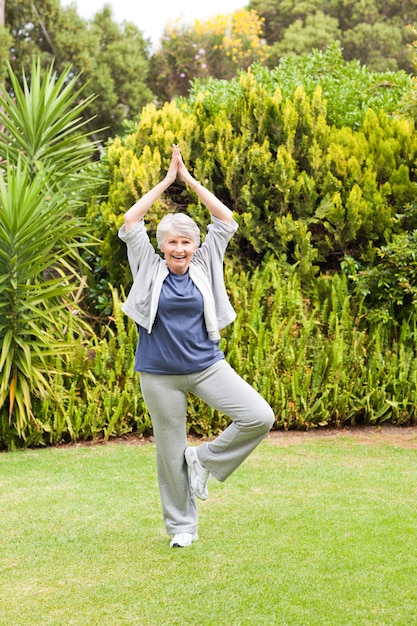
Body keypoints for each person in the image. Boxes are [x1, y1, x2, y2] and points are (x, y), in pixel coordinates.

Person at [118, 145, 275, 548]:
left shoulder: (205, 262)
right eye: (173, 242)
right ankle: (182, 528)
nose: (180, 249)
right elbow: (131, 220)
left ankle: (203, 459)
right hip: (158, 373)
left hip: (207, 366)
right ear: (162, 245)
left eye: (187, 242)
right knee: (169, 451)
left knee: (259, 416)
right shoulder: (148, 265)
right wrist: (167, 182)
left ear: (195, 245)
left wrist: (189, 181)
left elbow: (226, 219)